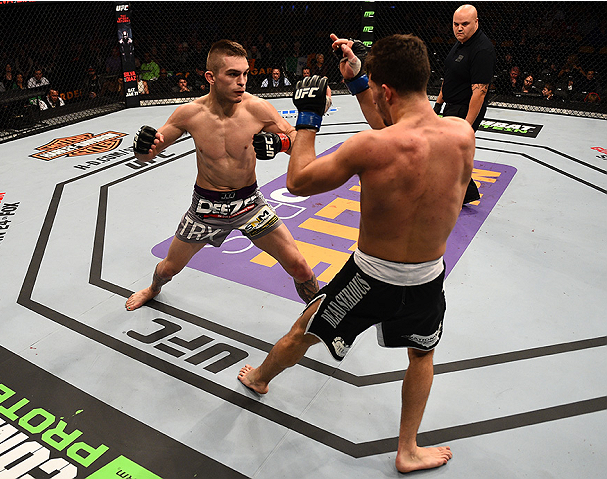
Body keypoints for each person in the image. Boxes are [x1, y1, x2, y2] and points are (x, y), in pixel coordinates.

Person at [238, 32, 473, 474]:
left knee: (305, 329)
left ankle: (258, 378)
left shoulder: (370, 148)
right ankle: (408, 449)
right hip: (428, 279)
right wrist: (361, 79)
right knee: (422, 355)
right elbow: (399, 129)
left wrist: (306, 118)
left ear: (386, 91)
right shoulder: (461, 135)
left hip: (369, 278)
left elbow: (299, 181)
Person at [125, 39, 319, 311]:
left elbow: (299, 142)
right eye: (233, 74)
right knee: (169, 269)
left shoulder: (258, 109)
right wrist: (142, 148)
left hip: (249, 203)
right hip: (206, 208)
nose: (242, 82)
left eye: (245, 74)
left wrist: (281, 144)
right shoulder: (190, 114)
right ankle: (152, 289)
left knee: (299, 265)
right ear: (211, 77)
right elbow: (148, 154)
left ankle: (323, 317)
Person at [432, 4, 494, 205]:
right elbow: (449, 75)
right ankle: (465, 193)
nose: (459, 28)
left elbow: (479, 92)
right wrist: (438, 104)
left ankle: (462, 193)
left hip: (465, 108)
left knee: (449, 151)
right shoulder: (460, 43)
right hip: (451, 105)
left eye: (465, 24)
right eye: (456, 24)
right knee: (449, 152)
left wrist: (466, 125)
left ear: (476, 23)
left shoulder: (482, 49)